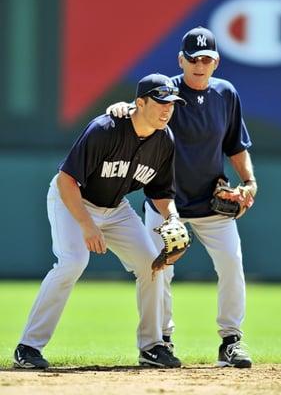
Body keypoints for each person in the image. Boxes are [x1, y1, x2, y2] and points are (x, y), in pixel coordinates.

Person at [106, 27, 258, 368]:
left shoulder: (226, 94)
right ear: (181, 60)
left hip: (211, 203)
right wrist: (120, 108)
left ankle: (231, 341)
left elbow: (235, 145)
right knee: (159, 271)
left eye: (206, 58)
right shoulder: (167, 91)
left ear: (216, 61)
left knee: (232, 264)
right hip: (164, 201)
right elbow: (138, 111)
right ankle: (162, 342)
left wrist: (249, 181)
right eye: (193, 59)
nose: (200, 65)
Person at [13, 73, 188, 369]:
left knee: (152, 266)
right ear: (140, 103)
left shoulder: (164, 140)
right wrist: (86, 225)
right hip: (72, 199)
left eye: (171, 103)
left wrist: (173, 217)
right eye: (160, 102)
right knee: (72, 262)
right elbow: (67, 179)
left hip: (116, 208)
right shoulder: (104, 129)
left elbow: (160, 192)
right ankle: (28, 347)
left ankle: (152, 346)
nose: (167, 109)